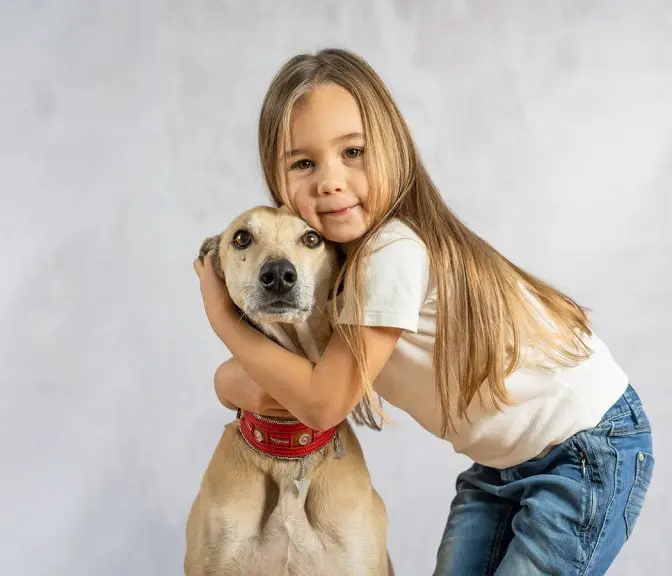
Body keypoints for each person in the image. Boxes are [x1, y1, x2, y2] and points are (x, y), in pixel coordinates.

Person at [192, 47, 654, 575]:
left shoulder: (393, 252)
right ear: (277, 179)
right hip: (503, 463)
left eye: (353, 152)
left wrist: (223, 321)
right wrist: (228, 382)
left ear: (392, 149)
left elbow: (320, 402)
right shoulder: (331, 267)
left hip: (587, 448)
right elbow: (284, 381)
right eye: (304, 163)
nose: (329, 180)